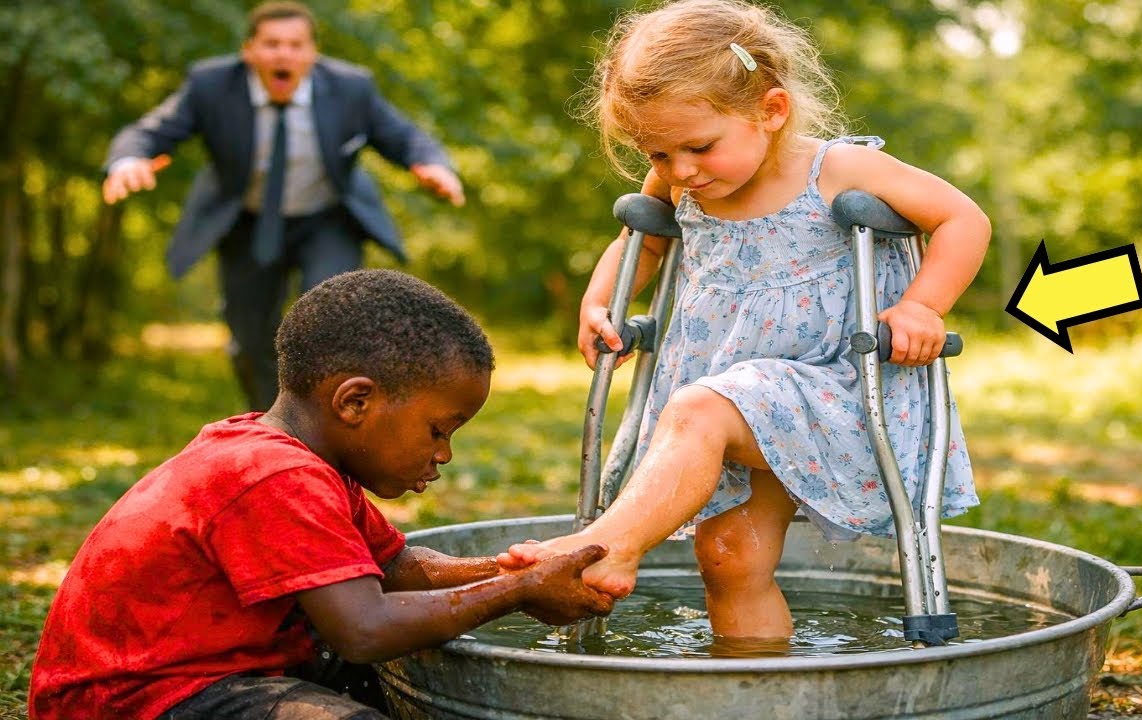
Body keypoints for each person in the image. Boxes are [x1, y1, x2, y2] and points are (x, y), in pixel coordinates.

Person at [499, 0, 991, 641]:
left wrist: (923, 304)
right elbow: (645, 242)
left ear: (772, 111)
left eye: (699, 147)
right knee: (729, 558)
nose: (680, 171)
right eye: (657, 152)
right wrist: (599, 304)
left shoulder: (837, 170)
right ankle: (752, 690)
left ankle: (601, 548)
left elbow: (962, 219)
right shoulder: (679, 181)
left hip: (833, 391)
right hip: (734, 400)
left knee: (699, 410)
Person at [28, 269, 613, 720]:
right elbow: (364, 630)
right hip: (136, 700)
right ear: (355, 402)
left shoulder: (305, 464)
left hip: (215, 675)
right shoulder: (273, 475)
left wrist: (510, 567)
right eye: (439, 430)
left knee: (399, 681)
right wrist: (513, 593)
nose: (444, 455)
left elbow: (398, 568)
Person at [102, 0, 466, 411]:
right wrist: (128, 160)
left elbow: (404, 136)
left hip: (327, 221)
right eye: (272, 44)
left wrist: (435, 165)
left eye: (295, 45)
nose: (283, 54)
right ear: (249, 51)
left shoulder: (351, 87)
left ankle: (334, 427)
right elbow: (151, 131)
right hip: (248, 223)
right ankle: (275, 430)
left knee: (331, 326)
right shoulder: (211, 85)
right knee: (251, 340)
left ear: (312, 53)